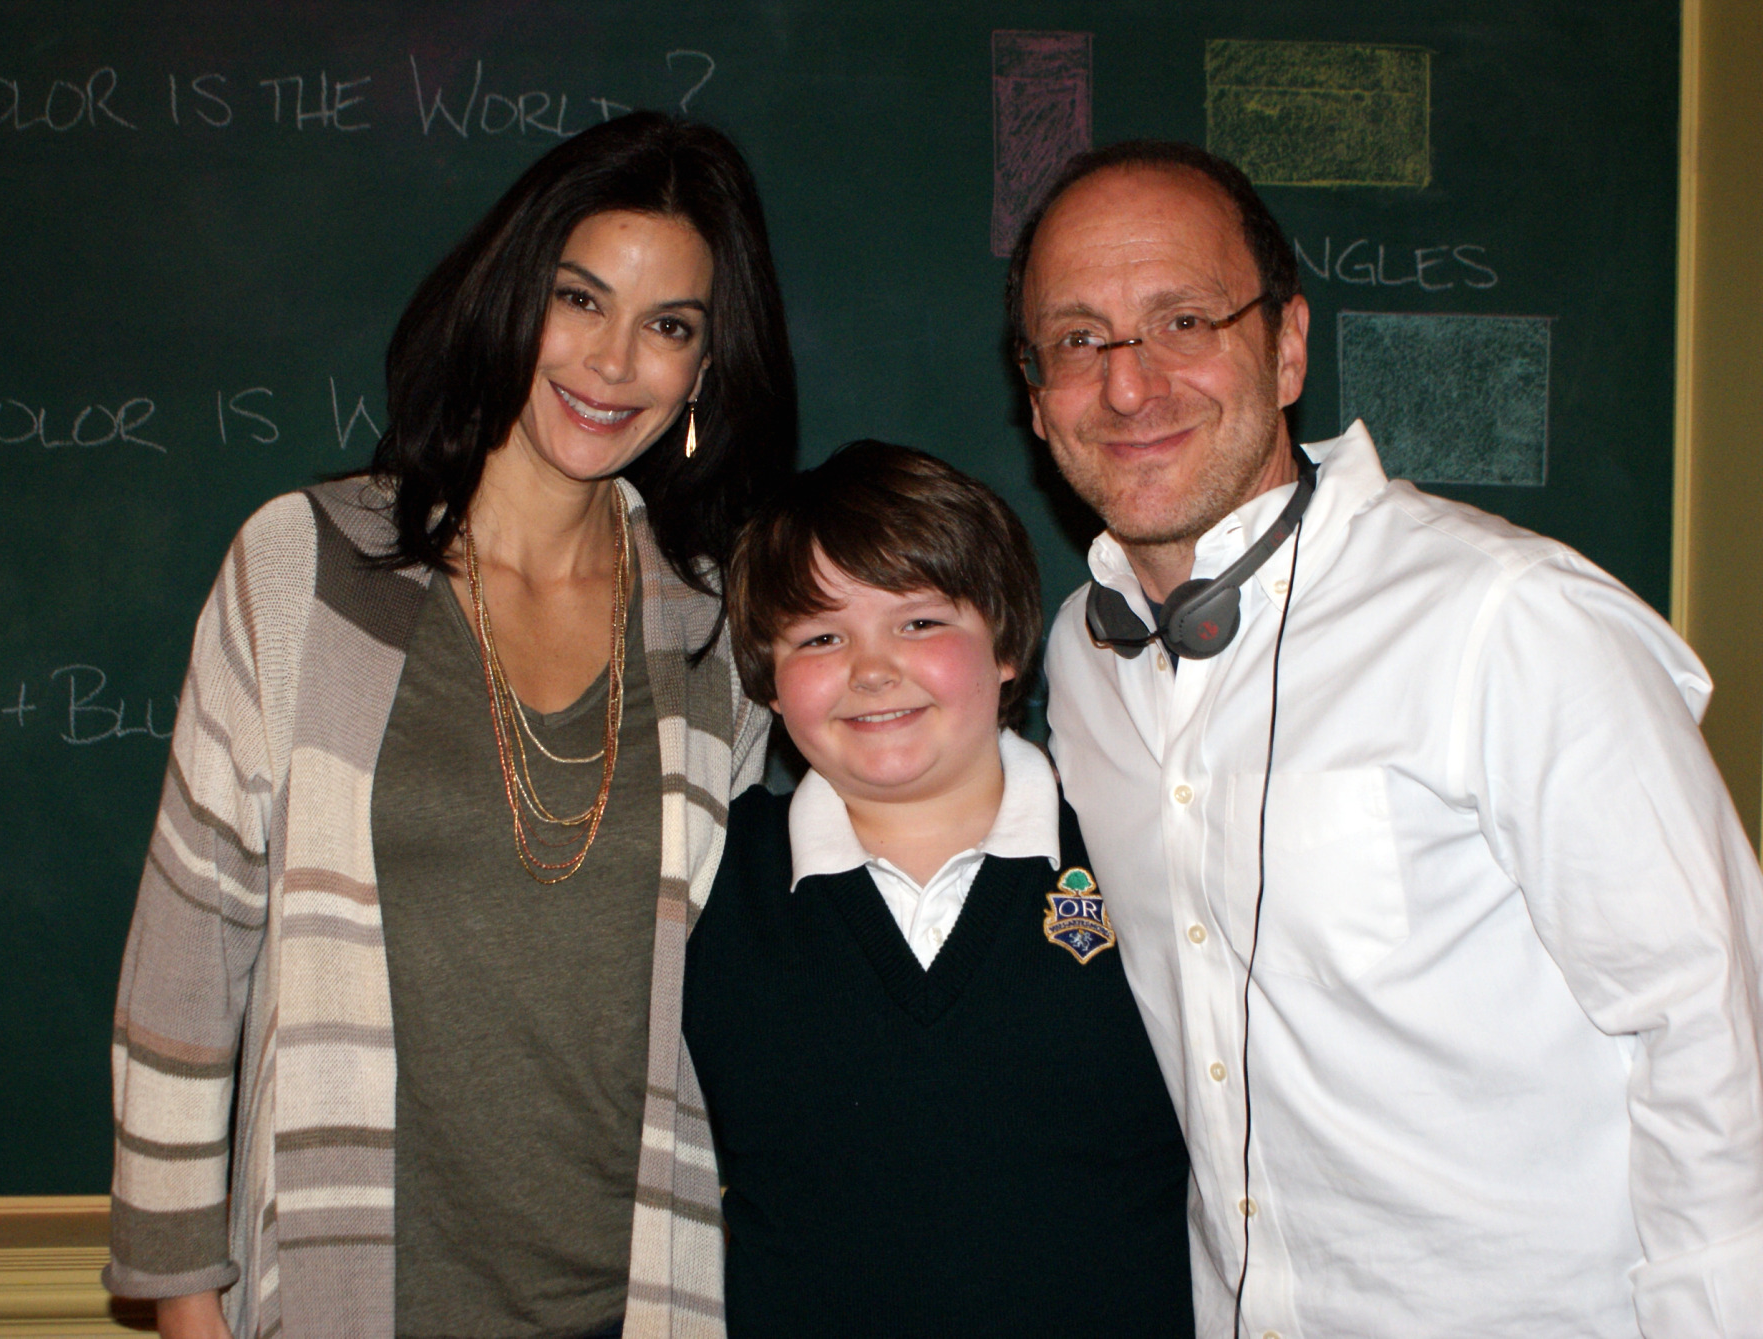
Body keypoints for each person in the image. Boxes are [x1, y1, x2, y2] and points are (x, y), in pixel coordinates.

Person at [1012, 140, 1763, 1338]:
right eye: (1077, 339)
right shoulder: (1078, 663)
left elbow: (1703, 1013)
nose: (1129, 386)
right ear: (1035, 392)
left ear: (1287, 344)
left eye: (1183, 320)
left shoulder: (1507, 617)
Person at [103, 111, 796, 1339]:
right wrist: (181, 1302)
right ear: (509, 297)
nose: (612, 361)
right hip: (344, 1292)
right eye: (579, 300)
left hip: (640, 1298)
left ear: (705, 370)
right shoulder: (304, 567)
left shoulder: (713, 633)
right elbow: (186, 949)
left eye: (669, 326)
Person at [682, 442, 1195, 1338]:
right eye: (820, 636)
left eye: (919, 623)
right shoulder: (706, 884)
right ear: (765, 677)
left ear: (1004, 642)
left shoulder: (1139, 856)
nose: (872, 669)